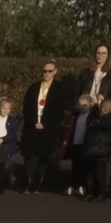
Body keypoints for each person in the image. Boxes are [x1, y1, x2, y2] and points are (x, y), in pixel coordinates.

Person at [21, 60, 72, 193]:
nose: (47, 73)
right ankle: (28, 184)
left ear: (55, 71)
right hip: (32, 128)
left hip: (48, 129)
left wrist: (46, 124)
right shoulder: (33, 88)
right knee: (31, 157)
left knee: (43, 156)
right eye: (45, 71)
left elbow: (59, 111)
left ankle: (38, 185)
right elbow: (26, 108)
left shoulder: (60, 89)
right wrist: (34, 122)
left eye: (50, 71)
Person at [84, 96, 111, 201]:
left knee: (101, 174)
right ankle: (94, 192)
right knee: (94, 173)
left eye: (103, 107)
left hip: (103, 150)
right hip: (97, 150)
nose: (101, 109)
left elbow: (102, 125)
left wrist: (98, 119)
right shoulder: (102, 117)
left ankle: (102, 193)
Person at [0, 99, 20, 194]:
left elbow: (12, 134)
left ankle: (0, 187)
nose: (6, 110)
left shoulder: (13, 120)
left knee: (2, 167)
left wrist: (3, 140)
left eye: (8, 108)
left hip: (5, 145)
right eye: (3, 108)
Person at [68, 94, 94, 197]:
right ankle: (74, 186)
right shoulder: (77, 116)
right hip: (76, 143)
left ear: (90, 105)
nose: (82, 107)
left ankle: (84, 186)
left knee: (84, 167)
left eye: (85, 105)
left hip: (85, 144)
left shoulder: (90, 116)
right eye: (80, 105)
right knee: (75, 166)